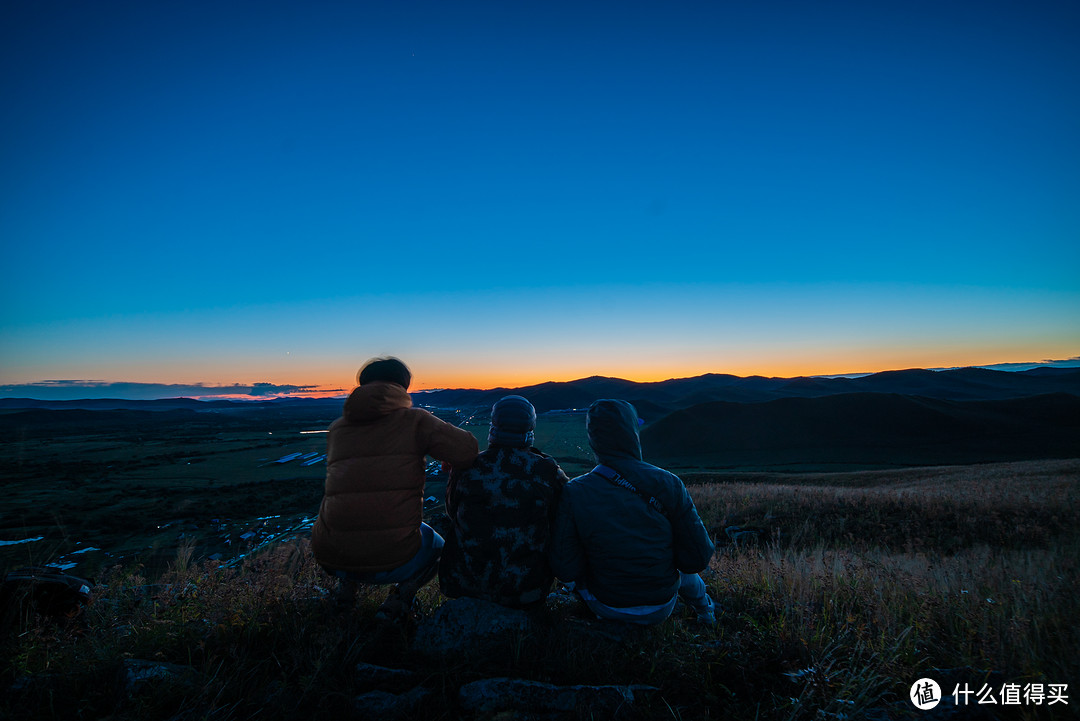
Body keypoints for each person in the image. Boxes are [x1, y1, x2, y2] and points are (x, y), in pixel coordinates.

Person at [310, 357, 479, 621]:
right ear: (403, 387)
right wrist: (446, 454)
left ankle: (345, 595)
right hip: (390, 557)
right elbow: (468, 450)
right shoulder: (414, 421)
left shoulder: (337, 429)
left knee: (354, 518)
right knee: (439, 548)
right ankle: (397, 604)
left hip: (329, 553)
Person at [550, 399, 716, 625]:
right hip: (661, 605)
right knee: (686, 572)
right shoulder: (669, 483)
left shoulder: (575, 491)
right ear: (632, 434)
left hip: (605, 604)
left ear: (593, 438)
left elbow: (565, 568)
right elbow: (698, 557)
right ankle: (706, 613)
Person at [438, 395, 569, 609]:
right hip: (526, 590)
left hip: (464, 584)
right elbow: (561, 517)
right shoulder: (548, 471)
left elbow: (452, 511)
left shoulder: (466, 466)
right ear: (531, 427)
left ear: (494, 425)